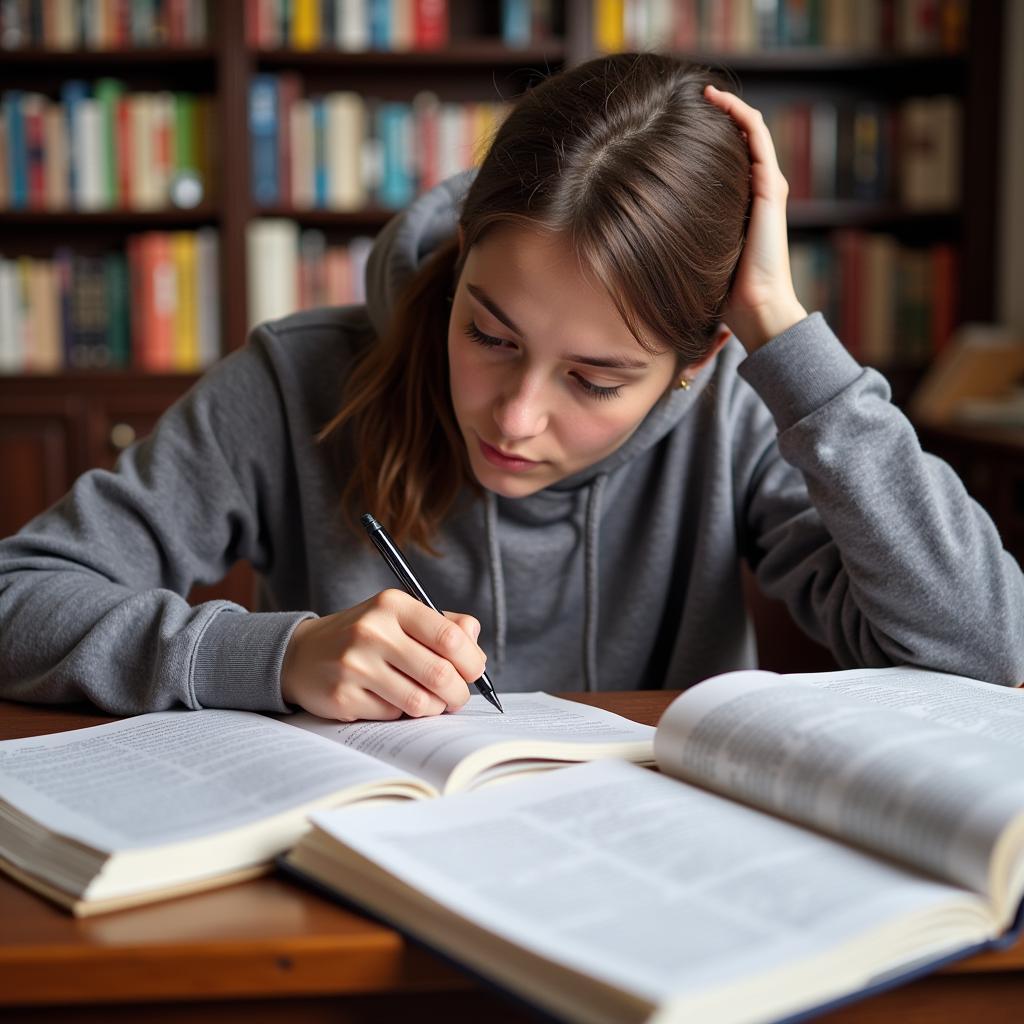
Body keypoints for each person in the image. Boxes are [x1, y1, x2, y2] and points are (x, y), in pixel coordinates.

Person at [1, 53, 1021, 721]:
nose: (518, 417)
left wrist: (787, 340)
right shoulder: (296, 376)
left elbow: (991, 650)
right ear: (459, 263)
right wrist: (273, 655)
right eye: (488, 333)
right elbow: (18, 599)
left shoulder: (740, 406)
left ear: (693, 363)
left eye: (596, 378)